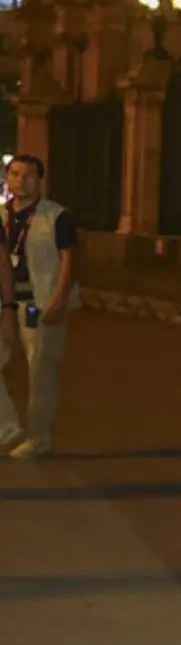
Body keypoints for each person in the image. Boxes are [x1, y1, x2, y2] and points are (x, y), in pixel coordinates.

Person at [0, 155, 79, 459]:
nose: (21, 181)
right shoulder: (3, 216)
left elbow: (68, 261)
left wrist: (59, 299)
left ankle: (38, 437)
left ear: (40, 180)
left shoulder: (56, 216)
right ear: (7, 178)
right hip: (7, 302)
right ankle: (7, 426)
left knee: (40, 369)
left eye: (29, 175)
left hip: (38, 303)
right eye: (15, 174)